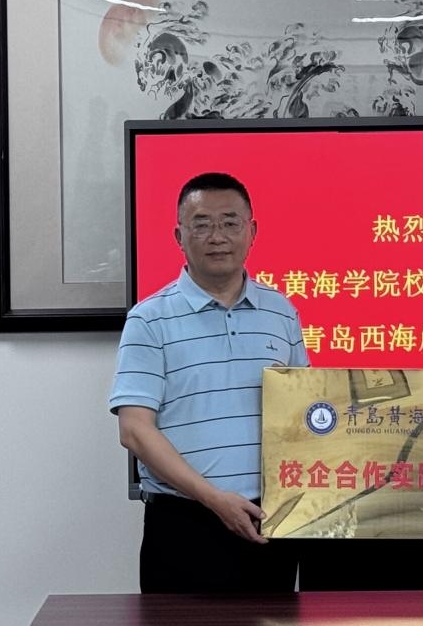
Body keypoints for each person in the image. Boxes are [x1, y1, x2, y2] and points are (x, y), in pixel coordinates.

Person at [109, 172, 309, 593]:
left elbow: (302, 414)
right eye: (201, 224)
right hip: (183, 524)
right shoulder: (149, 319)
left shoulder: (281, 312)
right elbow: (134, 430)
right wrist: (214, 499)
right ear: (179, 236)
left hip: (269, 522)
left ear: (252, 232)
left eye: (230, 222)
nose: (217, 237)